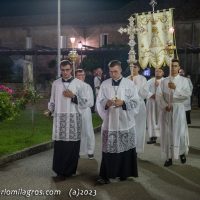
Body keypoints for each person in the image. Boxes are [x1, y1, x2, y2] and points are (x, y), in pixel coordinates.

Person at [96, 60, 140, 184]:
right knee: (109, 148)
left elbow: (137, 102)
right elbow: (99, 102)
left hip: (125, 121)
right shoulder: (104, 84)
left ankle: (124, 173)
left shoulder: (129, 84)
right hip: (110, 122)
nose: (113, 74)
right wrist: (106, 103)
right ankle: (105, 175)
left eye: (115, 71)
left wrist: (124, 103)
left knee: (125, 148)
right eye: (111, 71)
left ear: (120, 70)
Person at [48, 60, 88, 181]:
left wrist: (73, 97)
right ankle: (59, 171)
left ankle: (70, 171)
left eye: (67, 70)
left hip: (73, 118)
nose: (65, 72)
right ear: (60, 70)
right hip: (60, 118)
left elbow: (85, 102)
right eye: (63, 70)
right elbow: (52, 100)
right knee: (60, 145)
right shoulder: (56, 84)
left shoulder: (79, 84)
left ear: (71, 70)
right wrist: (50, 110)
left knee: (71, 146)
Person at [158, 59, 192, 167]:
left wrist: (175, 88)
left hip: (178, 109)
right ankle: (169, 157)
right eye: (171, 66)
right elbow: (159, 95)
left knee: (180, 133)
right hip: (167, 110)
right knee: (168, 133)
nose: (173, 68)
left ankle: (181, 152)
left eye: (175, 66)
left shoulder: (184, 80)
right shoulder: (164, 81)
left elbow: (187, 95)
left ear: (179, 67)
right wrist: (164, 105)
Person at [128, 63, 148, 153]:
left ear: (139, 68)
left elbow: (144, 93)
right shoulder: (126, 79)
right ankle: (129, 147)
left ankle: (137, 148)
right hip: (129, 106)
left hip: (139, 104)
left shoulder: (142, 79)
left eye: (135, 67)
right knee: (130, 126)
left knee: (139, 127)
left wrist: (134, 84)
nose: (132, 69)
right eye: (131, 67)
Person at [75, 69, 95, 159]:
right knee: (77, 131)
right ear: (75, 76)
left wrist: (83, 103)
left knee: (88, 130)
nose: (81, 77)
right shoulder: (72, 87)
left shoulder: (88, 87)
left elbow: (91, 102)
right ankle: (78, 151)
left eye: (82, 75)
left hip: (86, 111)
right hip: (75, 111)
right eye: (79, 75)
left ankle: (90, 151)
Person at [146, 68, 164, 144]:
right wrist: (150, 95)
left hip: (161, 102)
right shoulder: (150, 81)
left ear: (163, 73)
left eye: (160, 71)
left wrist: (158, 88)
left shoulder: (165, 81)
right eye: (156, 71)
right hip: (151, 102)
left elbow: (167, 91)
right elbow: (144, 90)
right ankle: (152, 136)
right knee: (151, 118)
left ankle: (163, 136)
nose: (158, 72)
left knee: (161, 118)